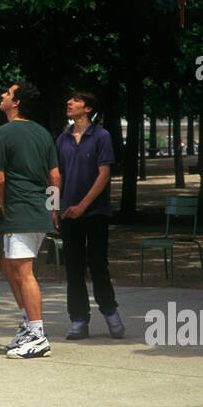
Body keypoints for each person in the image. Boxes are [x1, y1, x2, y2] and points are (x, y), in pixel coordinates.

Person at [0, 82, 60, 359]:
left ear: (16, 103)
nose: (3, 95)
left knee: (24, 271)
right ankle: (28, 326)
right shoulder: (42, 132)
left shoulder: (3, 132)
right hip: (38, 209)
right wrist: (52, 209)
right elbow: (54, 176)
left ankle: (38, 335)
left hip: (21, 211)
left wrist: (5, 204)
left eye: (7, 93)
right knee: (9, 267)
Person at [56, 91, 124, 341]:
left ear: (88, 108)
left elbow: (104, 175)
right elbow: (56, 177)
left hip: (95, 212)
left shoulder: (101, 136)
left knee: (97, 264)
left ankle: (110, 311)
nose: (69, 102)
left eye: (75, 100)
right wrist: (52, 207)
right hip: (68, 214)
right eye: (69, 99)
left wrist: (83, 206)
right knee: (73, 268)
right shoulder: (62, 139)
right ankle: (78, 319)